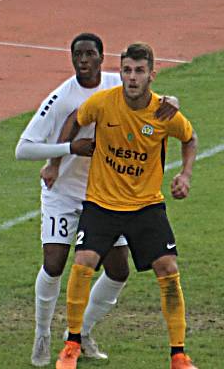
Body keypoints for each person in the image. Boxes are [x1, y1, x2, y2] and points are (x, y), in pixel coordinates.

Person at [15, 33, 179, 366]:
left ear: (103, 58)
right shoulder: (61, 97)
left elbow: (155, 101)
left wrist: (171, 101)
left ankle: (81, 332)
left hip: (106, 196)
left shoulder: (118, 84)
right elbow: (23, 149)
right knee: (54, 263)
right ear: (71, 57)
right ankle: (42, 335)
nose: (83, 60)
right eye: (78, 54)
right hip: (63, 194)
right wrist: (61, 155)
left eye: (90, 54)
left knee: (118, 270)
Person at [54, 42, 198, 369]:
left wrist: (185, 174)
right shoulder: (103, 104)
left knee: (169, 269)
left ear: (151, 75)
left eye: (139, 71)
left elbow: (189, 138)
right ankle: (72, 345)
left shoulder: (164, 112)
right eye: (127, 70)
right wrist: (56, 161)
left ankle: (178, 354)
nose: (132, 78)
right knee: (84, 261)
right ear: (120, 72)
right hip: (102, 203)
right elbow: (75, 121)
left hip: (146, 206)